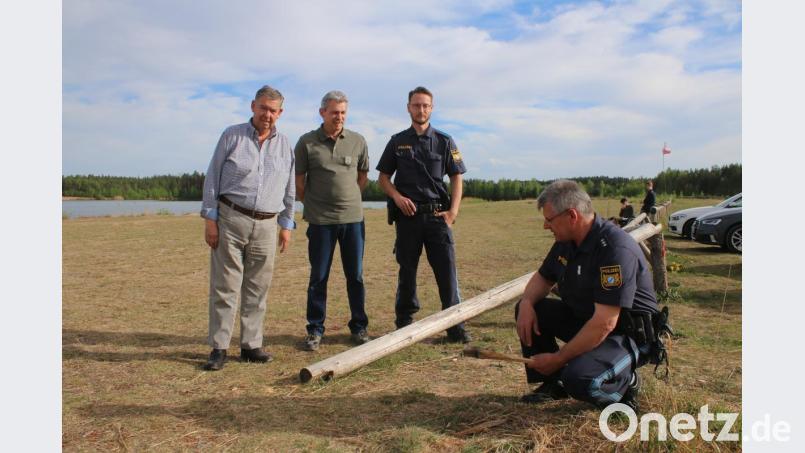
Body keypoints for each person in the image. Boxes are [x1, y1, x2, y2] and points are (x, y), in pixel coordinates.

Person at [514, 179, 659, 410]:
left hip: (626, 334)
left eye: (549, 219)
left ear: (572, 215)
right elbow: (543, 278)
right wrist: (526, 303)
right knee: (533, 309)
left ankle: (625, 384)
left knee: (579, 379)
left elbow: (605, 323)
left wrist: (559, 359)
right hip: (590, 322)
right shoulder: (567, 242)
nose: (545, 226)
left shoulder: (614, 249)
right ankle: (554, 383)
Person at [199, 85, 296, 371]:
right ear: (253, 106)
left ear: (280, 113)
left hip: (267, 224)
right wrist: (210, 219)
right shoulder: (232, 136)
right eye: (263, 108)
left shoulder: (285, 145)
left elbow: (289, 188)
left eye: (273, 110)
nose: (267, 114)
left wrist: (286, 224)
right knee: (225, 286)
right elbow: (212, 179)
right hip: (231, 219)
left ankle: (251, 346)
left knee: (258, 287)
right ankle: (219, 348)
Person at [376, 86, 471, 343]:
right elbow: (383, 178)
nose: (421, 110)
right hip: (408, 219)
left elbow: (456, 177)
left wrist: (453, 212)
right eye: (416, 105)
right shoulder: (397, 142)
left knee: (447, 273)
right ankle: (404, 322)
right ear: (408, 108)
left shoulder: (445, 141)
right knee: (407, 271)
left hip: (438, 217)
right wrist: (397, 197)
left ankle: (455, 326)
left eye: (425, 105)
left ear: (432, 108)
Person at [294, 90, 370, 351]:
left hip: (353, 220)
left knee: (355, 276)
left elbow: (362, 176)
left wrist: (349, 199)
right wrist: (314, 205)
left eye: (343, 112)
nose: (339, 117)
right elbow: (299, 182)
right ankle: (315, 329)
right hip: (320, 222)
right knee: (319, 277)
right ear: (322, 112)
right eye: (334, 112)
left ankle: (359, 327)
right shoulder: (306, 142)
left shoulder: (358, 141)